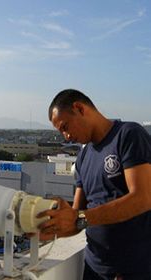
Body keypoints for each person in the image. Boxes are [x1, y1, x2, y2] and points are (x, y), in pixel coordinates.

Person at [38, 89, 151, 280]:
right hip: (94, 268)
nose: (66, 136)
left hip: (133, 270)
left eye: (65, 126)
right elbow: (78, 216)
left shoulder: (128, 135)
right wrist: (52, 228)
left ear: (79, 108)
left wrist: (78, 217)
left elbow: (143, 198)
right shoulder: (83, 157)